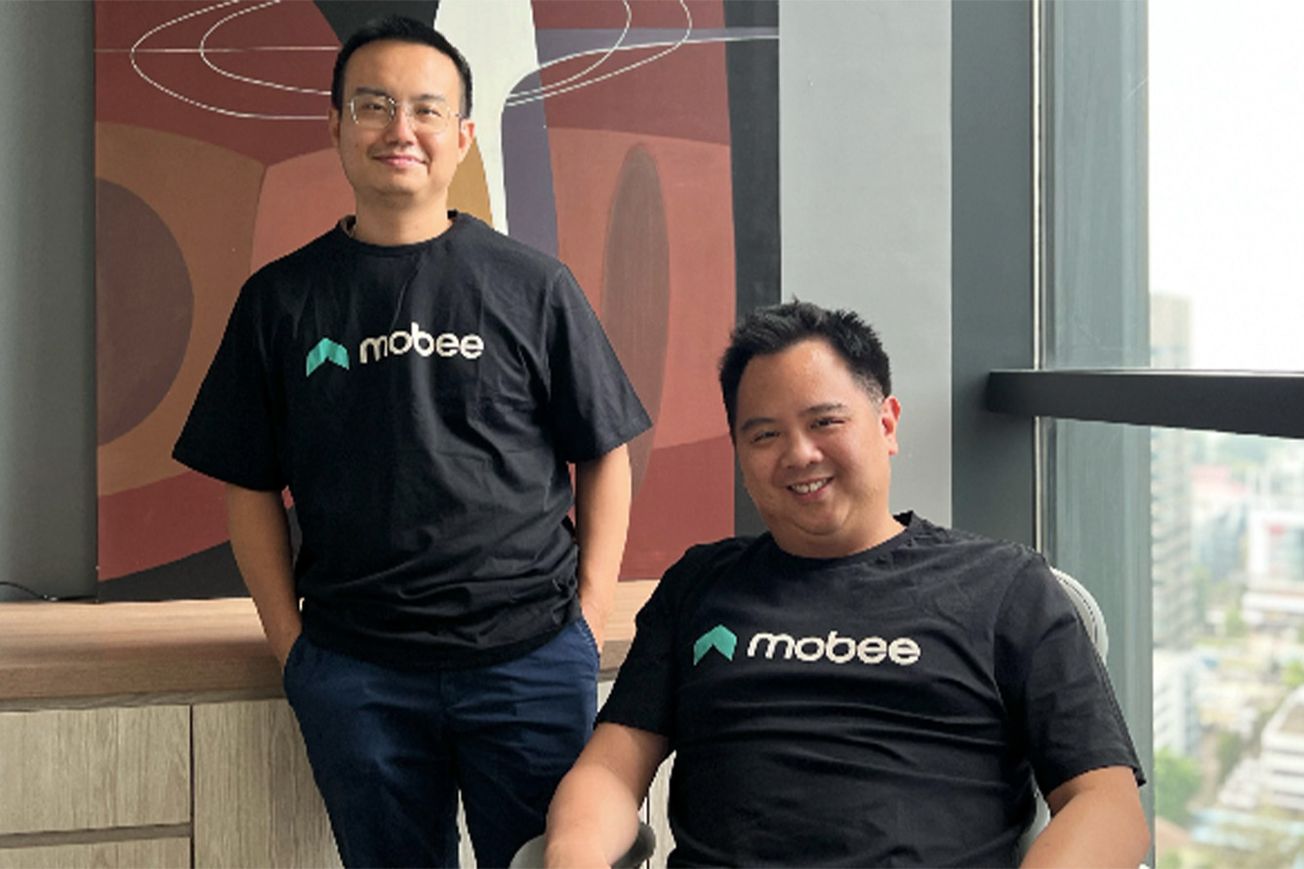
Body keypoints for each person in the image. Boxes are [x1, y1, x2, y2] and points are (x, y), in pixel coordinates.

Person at [173, 15, 650, 869]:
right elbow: (247, 481)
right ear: (336, 125)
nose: (401, 129)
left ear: (462, 135)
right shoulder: (280, 300)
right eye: (374, 105)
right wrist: (292, 646)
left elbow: (604, 449)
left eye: (427, 109)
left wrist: (588, 619)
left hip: (530, 660)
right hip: (356, 671)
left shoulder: (534, 285)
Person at [543, 301, 1149, 868]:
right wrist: (575, 853)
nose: (799, 454)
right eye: (764, 435)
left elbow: (1105, 803)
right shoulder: (700, 586)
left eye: (825, 422)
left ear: (886, 424)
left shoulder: (1006, 586)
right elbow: (610, 771)